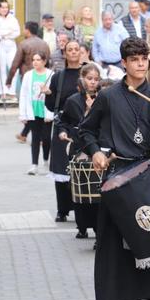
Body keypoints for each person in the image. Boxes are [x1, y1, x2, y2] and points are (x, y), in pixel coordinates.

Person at [78, 36, 150, 300]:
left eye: (144, 59)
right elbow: (85, 130)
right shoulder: (108, 96)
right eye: (134, 60)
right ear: (125, 63)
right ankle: (123, 294)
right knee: (117, 236)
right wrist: (95, 152)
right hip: (120, 171)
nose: (140, 64)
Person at [58, 63, 101, 239]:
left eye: (96, 79)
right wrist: (63, 131)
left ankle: (100, 230)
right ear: (82, 79)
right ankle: (82, 226)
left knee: (98, 191)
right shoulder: (73, 100)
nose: (92, 82)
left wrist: (92, 110)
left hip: (98, 148)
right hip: (78, 148)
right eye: (89, 79)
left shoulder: (103, 98)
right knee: (79, 189)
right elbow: (64, 120)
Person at [44, 40, 82, 222]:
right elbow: (51, 107)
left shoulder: (88, 73)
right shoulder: (58, 76)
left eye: (76, 49)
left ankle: (82, 208)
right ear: (65, 54)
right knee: (61, 167)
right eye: (70, 50)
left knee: (82, 167)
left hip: (83, 124)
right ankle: (63, 209)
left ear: (81, 52)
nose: (73, 52)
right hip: (62, 125)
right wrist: (48, 95)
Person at [19, 51, 54, 175]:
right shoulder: (28, 75)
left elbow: (53, 94)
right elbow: (23, 94)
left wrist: (51, 113)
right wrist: (23, 114)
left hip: (46, 111)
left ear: (44, 61)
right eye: (34, 60)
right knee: (35, 138)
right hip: (33, 111)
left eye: (38, 60)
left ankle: (46, 161)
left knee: (46, 139)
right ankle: (34, 164)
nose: (35, 62)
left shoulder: (51, 74)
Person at [6, 21, 50, 88]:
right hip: (42, 77)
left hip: (27, 76)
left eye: (24, 29)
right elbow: (48, 62)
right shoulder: (45, 44)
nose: (23, 31)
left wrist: (9, 81)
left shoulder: (23, 44)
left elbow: (15, 65)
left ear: (27, 30)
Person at [0, 0, 21, 98]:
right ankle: (3, 92)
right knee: (1, 69)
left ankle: (12, 92)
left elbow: (17, 32)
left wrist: (5, 34)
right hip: (0, 45)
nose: (4, 9)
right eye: (2, 7)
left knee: (13, 68)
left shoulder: (12, 19)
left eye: (6, 7)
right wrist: (8, 32)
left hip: (11, 45)